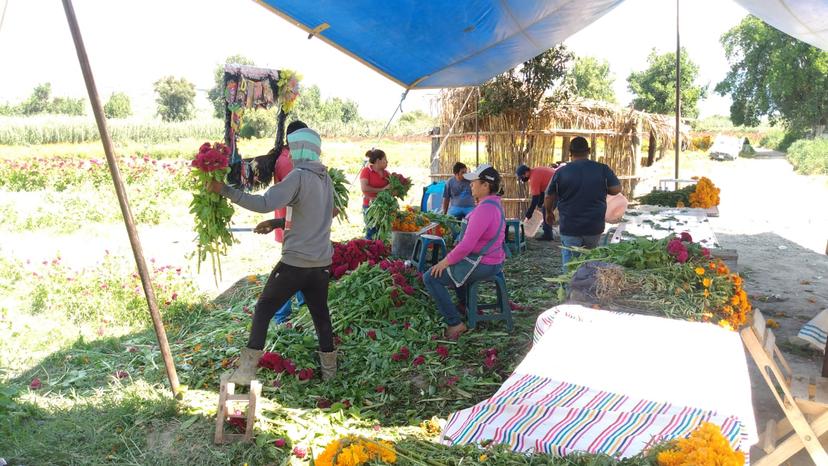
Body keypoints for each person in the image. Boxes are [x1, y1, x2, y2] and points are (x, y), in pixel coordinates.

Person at [207, 126, 337, 384]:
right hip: (321, 263)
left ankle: (245, 371)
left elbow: (264, 203)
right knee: (321, 315)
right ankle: (331, 373)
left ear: (298, 149)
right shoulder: (325, 178)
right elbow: (322, 215)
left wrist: (225, 190)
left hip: (296, 262)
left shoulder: (298, 176)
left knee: (264, 307)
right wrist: (277, 225)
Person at [424, 164, 506, 340]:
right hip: (492, 260)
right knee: (455, 268)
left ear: (486, 185)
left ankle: (455, 323)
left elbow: (467, 246)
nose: (471, 185)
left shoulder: (484, 209)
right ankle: (467, 306)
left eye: (474, 182)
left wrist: (444, 262)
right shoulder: (493, 204)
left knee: (430, 277)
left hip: (483, 263)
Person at [255, 120, 308, 324]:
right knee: (291, 271)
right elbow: (298, 192)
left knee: (300, 267)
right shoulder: (288, 161)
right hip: (289, 220)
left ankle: (303, 307)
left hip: (292, 220)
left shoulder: (288, 157)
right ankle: (281, 315)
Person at [544, 137, 621, 271]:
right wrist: (601, 188)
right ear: (589, 151)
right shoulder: (602, 169)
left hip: (570, 226)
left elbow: (549, 196)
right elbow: (616, 189)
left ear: (570, 152)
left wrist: (549, 212)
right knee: (590, 261)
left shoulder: (561, 172)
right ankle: (587, 288)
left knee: (570, 265)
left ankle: (570, 289)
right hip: (594, 226)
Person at [515, 164, 556, 241]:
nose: (522, 179)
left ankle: (548, 235)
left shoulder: (534, 178)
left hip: (559, 188)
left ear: (526, 173)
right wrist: (540, 203)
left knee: (546, 210)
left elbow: (535, 199)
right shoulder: (536, 172)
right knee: (545, 209)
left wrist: (529, 213)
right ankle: (548, 233)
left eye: (522, 177)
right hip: (559, 186)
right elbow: (542, 190)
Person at [359, 149, 389, 239]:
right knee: (371, 231)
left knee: (382, 232)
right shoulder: (366, 171)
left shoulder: (387, 174)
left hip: (384, 207)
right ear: (378, 161)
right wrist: (382, 189)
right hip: (370, 206)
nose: (387, 162)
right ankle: (370, 250)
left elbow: (391, 189)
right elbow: (364, 188)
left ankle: (380, 250)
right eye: (385, 159)